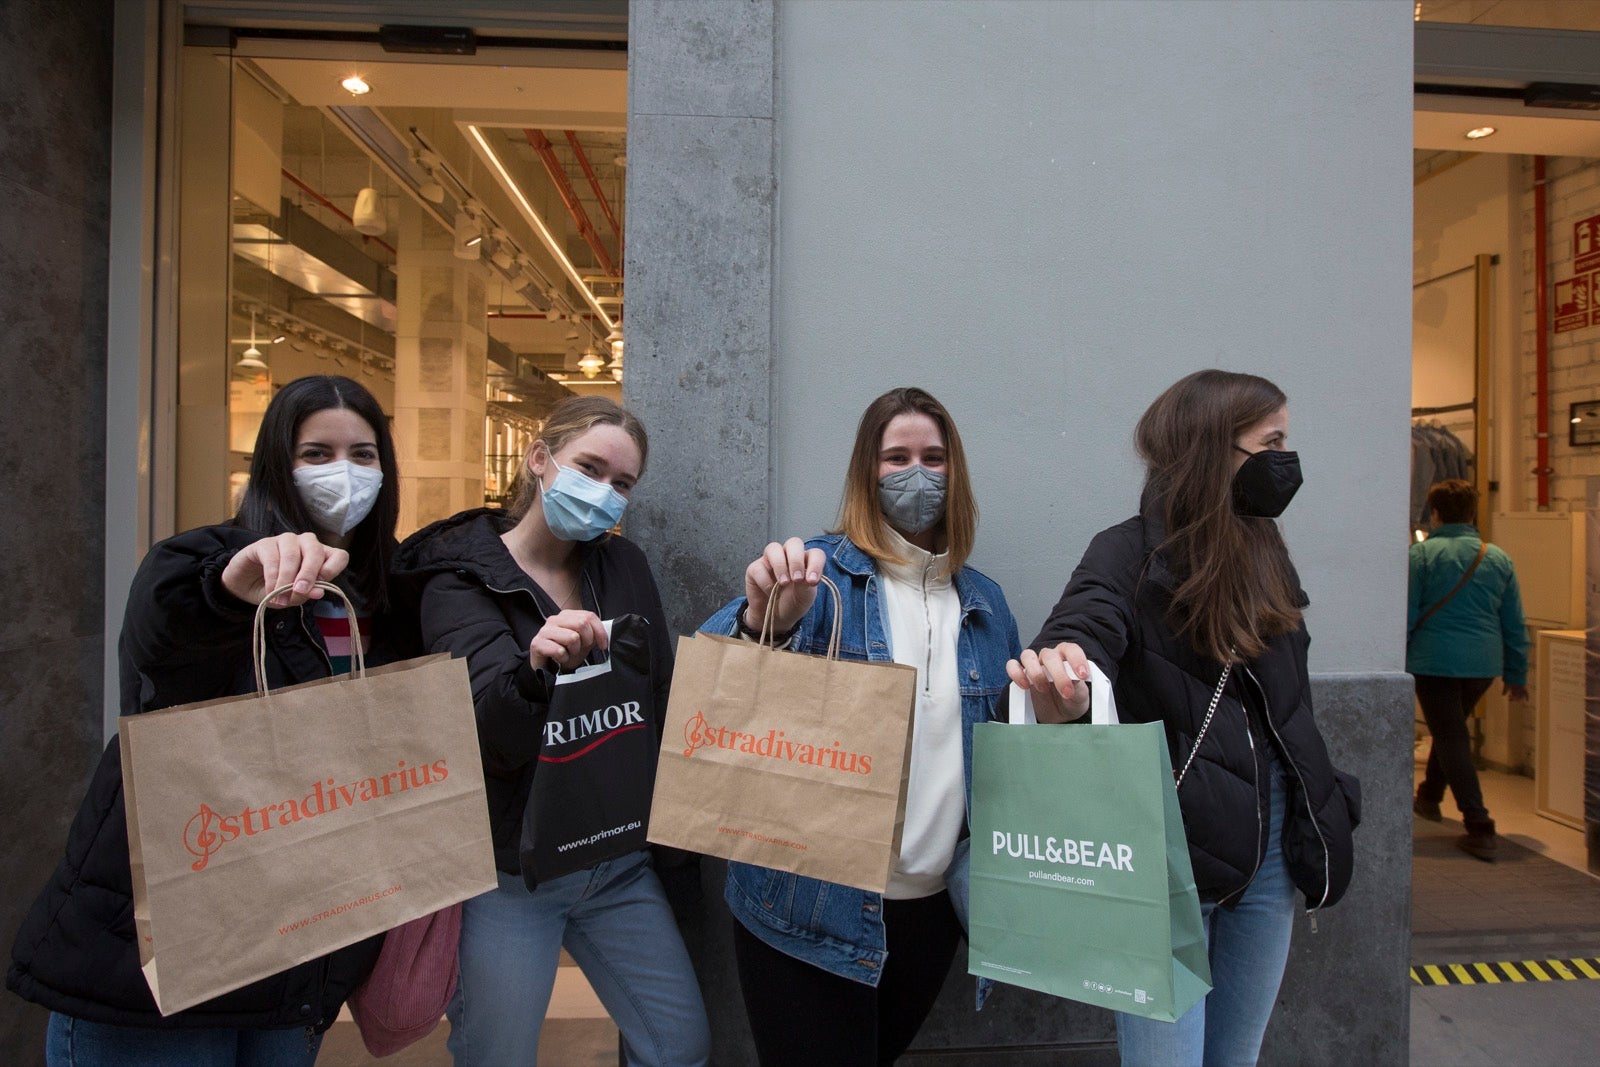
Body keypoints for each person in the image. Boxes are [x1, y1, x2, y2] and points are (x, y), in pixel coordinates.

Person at [9, 375, 413, 1066]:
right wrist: (230, 588)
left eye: (363, 453)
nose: (343, 471)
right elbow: (168, 641)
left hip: (298, 956)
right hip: (161, 969)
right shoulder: (201, 561)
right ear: (273, 465)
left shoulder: (387, 593)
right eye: (315, 452)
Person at [1009, 369, 1360, 1067]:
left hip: (1269, 855)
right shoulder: (1125, 550)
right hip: (1165, 858)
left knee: (1236, 1057)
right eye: (1272, 442)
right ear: (1211, 449)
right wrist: (1066, 680)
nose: (1285, 462)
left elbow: (1290, 703)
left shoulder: (1265, 548)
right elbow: (1083, 626)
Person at [703, 387, 1021, 1067]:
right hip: (807, 909)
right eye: (896, 456)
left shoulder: (987, 602)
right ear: (865, 471)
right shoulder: (820, 575)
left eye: (933, 457)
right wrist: (767, 622)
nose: (917, 473)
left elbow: (1001, 757)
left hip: (929, 912)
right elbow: (712, 679)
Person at [394, 396, 709, 1067]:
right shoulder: (460, 583)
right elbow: (483, 729)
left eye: (621, 483)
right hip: (513, 874)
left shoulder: (624, 568)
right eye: (589, 467)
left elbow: (656, 694)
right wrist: (534, 670)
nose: (603, 492)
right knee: (496, 1054)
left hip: (616, 862)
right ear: (540, 460)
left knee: (679, 1045)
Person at [1407, 478, 1529, 861]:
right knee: (1452, 731)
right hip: (1483, 665)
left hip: (1434, 661)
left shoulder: (1422, 556)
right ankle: (1429, 797)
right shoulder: (1497, 558)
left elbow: (1408, 614)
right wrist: (1517, 673)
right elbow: (1514, 621)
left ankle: (1479, 824)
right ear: (1473, 513)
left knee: (1451, 736)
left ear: (1436, 513)